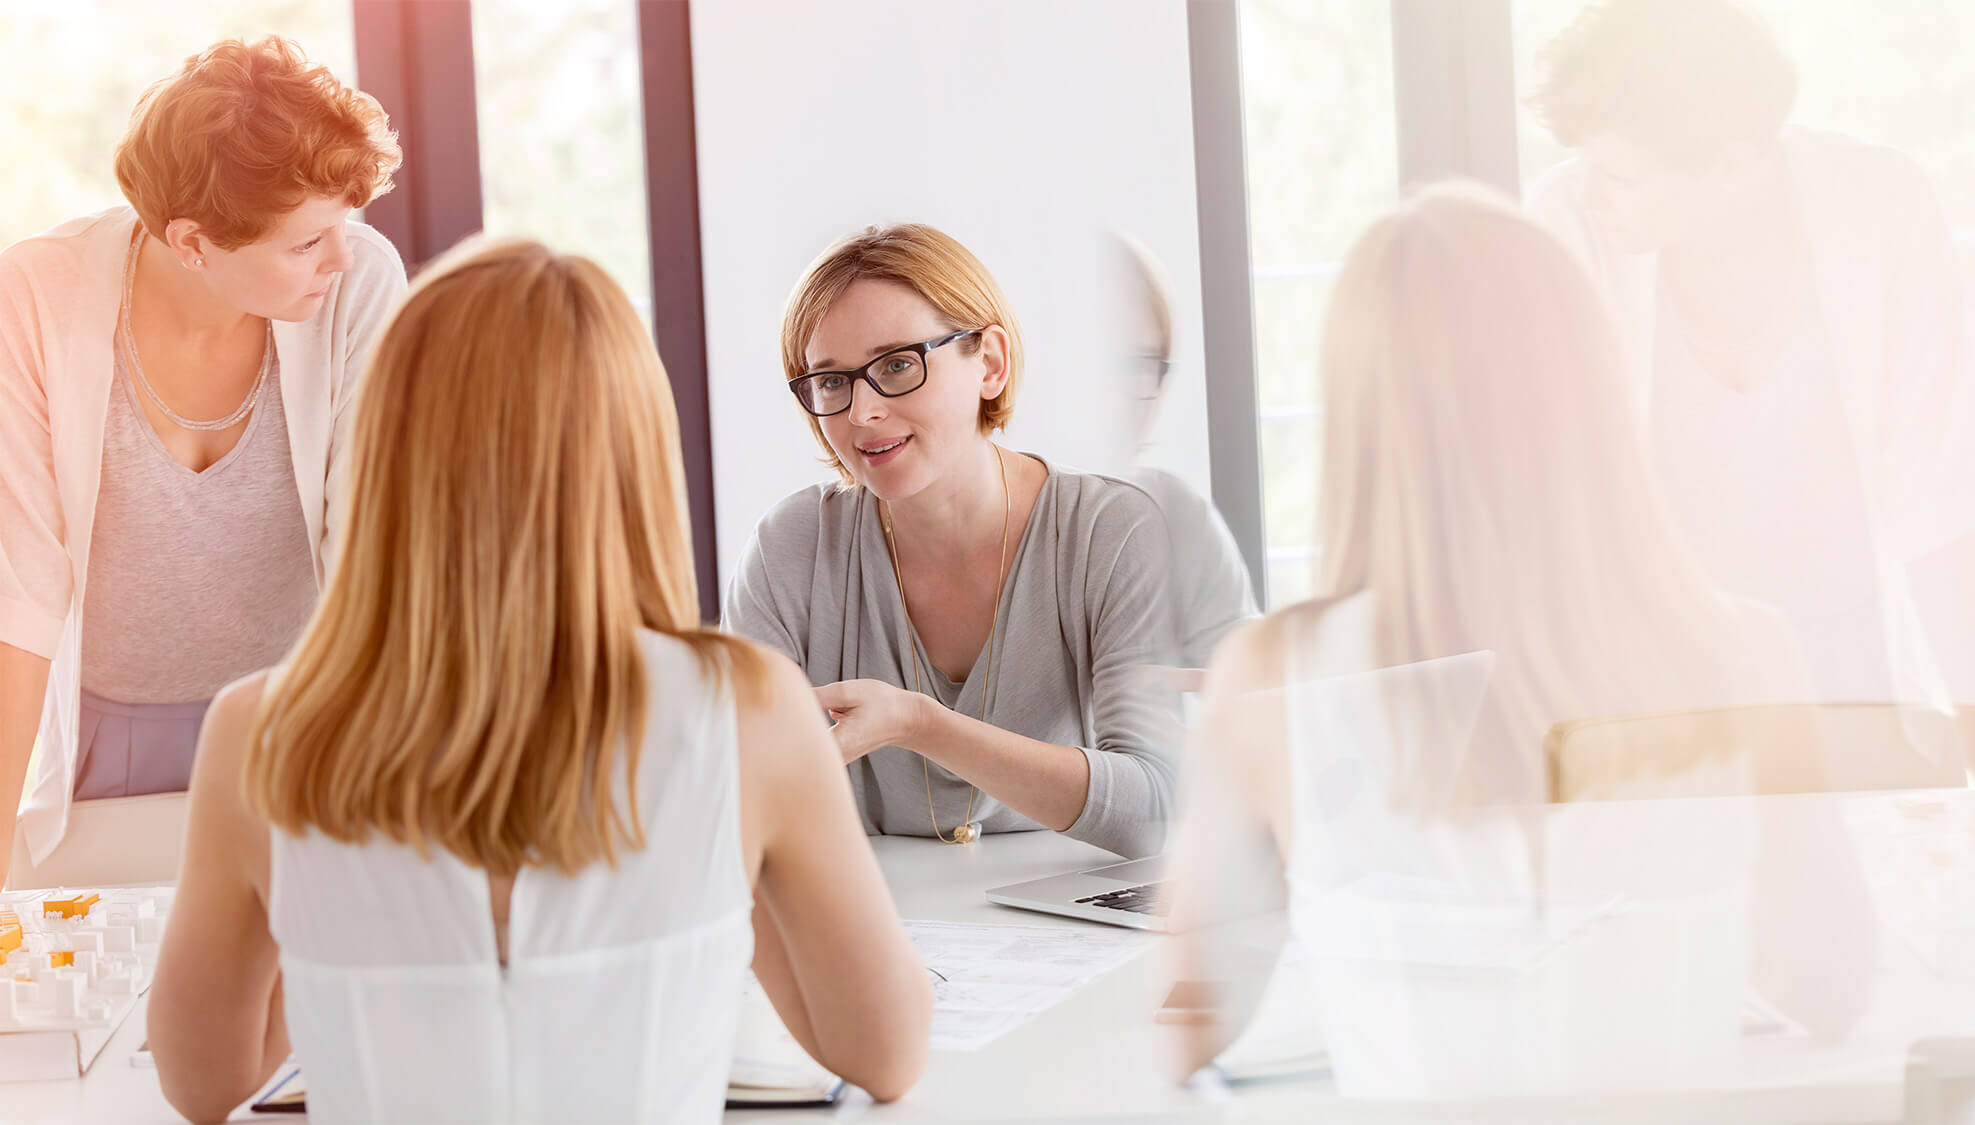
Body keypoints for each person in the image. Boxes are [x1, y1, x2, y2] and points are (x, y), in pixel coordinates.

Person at [147, 239, 931, 1123]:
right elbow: (887, 1051)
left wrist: (326, 917)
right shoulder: (750, 711)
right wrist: (723, 876)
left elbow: (205, 1082)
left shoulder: (259, 733)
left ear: (389, 452)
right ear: (634, 456)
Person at [1163, 185, 1867, 1083]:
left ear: (1363, 418)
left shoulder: (1273, 677)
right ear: (1592, 388)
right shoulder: (1747, 654)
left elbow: (1189, 1024)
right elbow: (1831, 983)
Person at [0, 36, 406, 888]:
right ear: (191, 242)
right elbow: (20, 592)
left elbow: (375, 551)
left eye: (343, 224)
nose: (340, 256)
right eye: (306, 242)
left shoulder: (358, 283)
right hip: (110, 742)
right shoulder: (35, 296)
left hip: (303, 723)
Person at [1526, 0, 1975, 716]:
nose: (1590, 195)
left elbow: (1940, 498)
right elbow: (1553, 508)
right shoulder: (1567, 225)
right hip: (1663, 675)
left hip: (1861, 661)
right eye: (1584, 163)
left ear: (1736, 164)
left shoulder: (1882, 208)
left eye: (1620, 178)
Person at [723, 223, 1178, 860]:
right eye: (832, 381)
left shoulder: (1110, 530)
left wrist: (921, 725)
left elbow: (1157, 809)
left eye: (897, 364)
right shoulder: (789, 550)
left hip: (1067, 914)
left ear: (990, 363)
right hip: (871, 911)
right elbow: (737, 803)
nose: (862, 413)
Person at [1106, 232, 1260, 670]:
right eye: (1095, 361)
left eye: (1137, 366)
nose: (1113, 398)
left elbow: (1255, 685)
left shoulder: (1176, 517)